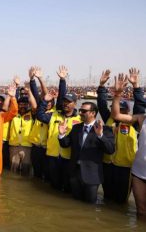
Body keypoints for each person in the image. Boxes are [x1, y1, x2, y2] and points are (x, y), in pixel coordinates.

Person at [58, 102, 115, 203]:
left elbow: (110, 150)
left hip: (92, 175)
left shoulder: (105, 130)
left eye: (84, 111)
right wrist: (61, 135)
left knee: (90, 206)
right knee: (75, 202)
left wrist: (100, 135)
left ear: (93, 113)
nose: (80, 113)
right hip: (75, 172)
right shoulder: (76, 128)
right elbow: (65, 144)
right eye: (80, 110)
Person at [36, 66, 81, 192]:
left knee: (67, 187)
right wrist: (44, 101)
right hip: (52, 156)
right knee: (53, 186)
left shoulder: (79, 119)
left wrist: (62, 79)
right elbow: (40, 115)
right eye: (64, 102)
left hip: (68, 159)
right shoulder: (54, 115)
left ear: (75, 103)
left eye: (69, 102)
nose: (66, 104)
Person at [97, 69, 139, 203]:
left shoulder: (134, 122)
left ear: (128, 111)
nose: (118, 112)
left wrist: (135, 86)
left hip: (125, 168)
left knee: (121, 201)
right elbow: (101, 104)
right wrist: (101, 86)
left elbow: (140, 106)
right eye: (116, 109)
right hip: (107, 164)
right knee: (107, 197)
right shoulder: (109, 119)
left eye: (122, 110)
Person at [111, 71, 146, 219]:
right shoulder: (141, 118)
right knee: (141, 211)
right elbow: (116, 116)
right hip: (139, 173)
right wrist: (117, 95)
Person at [8, 83, 37, 175]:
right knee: (13, 170)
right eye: (20, 104)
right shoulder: (13, 114)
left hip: (27, 147)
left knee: (26, 170)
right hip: (13, 146)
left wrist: (29, 93)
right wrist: (12, 93)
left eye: (25, 104)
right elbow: (6, 107)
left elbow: (35, 106)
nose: (22, 106)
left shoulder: (31, 114)